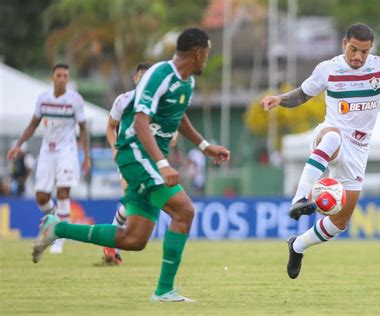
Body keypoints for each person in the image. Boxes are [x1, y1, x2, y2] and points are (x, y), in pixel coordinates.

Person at [32, 28, 231, 302]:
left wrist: (206, 147)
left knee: (133, 240)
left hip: (149, 158)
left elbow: (178, 116)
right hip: (136, 153)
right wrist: (162, 164)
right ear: (198, 53)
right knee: (184, 212)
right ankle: (164, 291)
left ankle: (57, 227)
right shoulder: (160, 75)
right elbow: (139, 121)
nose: (206, 60)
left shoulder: (187, 82)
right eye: (206, 55)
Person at [260, 23, 380, 279]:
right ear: (344, 43)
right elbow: (303, 95)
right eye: (354, 49)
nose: (358, 56)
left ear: (371, 50)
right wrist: (279, 99)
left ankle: (298, 245)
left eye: (364, 52)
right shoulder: (328, 68)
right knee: (332, 137)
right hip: (331, 135)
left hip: (359, 149)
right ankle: (299, 198)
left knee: (339, 223)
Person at [7, 63, 90, 254]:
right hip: (47, 151)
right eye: (59, 75)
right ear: (52, 78)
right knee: (41, 196)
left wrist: (86, 156)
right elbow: (33, 124)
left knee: (63, 192)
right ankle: (53, 222)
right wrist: (18, 145)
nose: (62, 79)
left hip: (67, 151)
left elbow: (84, 129)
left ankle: (59, 239)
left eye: (65, 76)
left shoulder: (75, 100)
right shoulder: (43, 99)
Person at [102, 62, 151, 265]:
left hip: (149, 161)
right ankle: (111, 247)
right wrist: (114, 147)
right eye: (142, 76)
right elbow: (110, 127)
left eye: (149, 76)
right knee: (131, 200)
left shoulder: (156, 103)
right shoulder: (123, 100)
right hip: (128, 158)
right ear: (135, 78)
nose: (145, 80)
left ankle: (110, 245)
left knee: (134, 204)